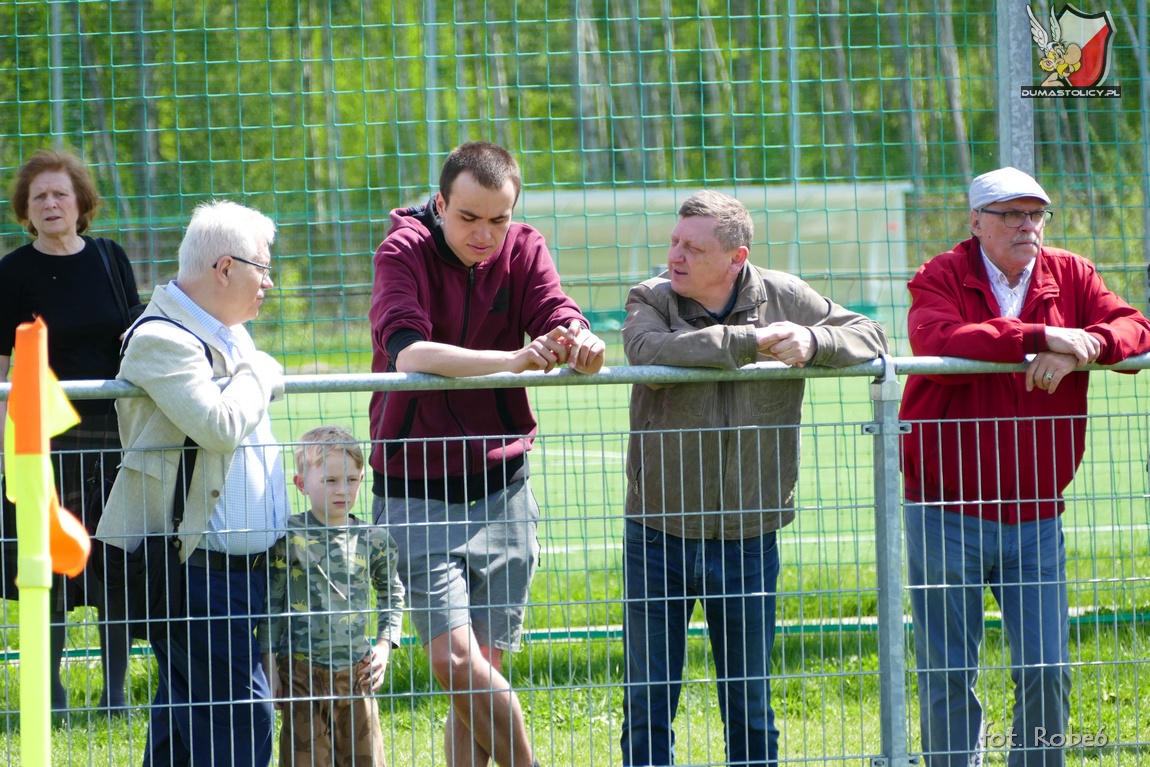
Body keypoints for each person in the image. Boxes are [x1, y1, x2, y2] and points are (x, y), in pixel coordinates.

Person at [620, 189, 888, 767]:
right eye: (674, 241)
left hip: (750, 533)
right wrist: (751, 342)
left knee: (748, 702)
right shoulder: (652, 298)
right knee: (648, 701)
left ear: (737, 258)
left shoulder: (786, 296)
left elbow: (871, 335)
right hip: (657, 533)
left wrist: (814, 340)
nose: (675, 256)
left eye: (692, 247)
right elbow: (647, 353)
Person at [900, 167, 1150, 767]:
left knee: (1047, 668)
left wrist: (1081, 349)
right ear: (975, 222)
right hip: (944, 509)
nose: (1026, 226)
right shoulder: (941, 274)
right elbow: (942, 343)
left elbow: (1135, 329)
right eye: (1010, 214)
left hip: (1036, 513)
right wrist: (1042, 336)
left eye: (1035, 214)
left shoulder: (1072, 272)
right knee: (949, 672)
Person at [368, 141, 606, 767]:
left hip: (504, 486)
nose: (485, 233)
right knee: (453, 662)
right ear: (440, 203)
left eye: (498, 219)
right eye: (469, 217)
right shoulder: (402, 251)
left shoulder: (525, 247)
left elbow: (556, 311)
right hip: (413, 488)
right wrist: (513, 362)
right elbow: (409, 352)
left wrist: (581, 337)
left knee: (479, 681)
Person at [95, 200, 287, 767]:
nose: (269, 282)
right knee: (242, 715)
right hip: (196, 571)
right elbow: (221, 426)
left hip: (238, 572)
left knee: (185, 715)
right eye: (263, 267)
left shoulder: (229, 333)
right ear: (224, 268)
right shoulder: (161, 338)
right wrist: (261, 370)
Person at [0, 147, 144, 717]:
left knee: (112, 566)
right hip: (45, 441)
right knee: (49, 567)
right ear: (26, 211)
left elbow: (136, 336)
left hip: (115, 438)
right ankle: (49, 694)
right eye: (40, 197)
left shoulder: (110, 257)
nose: (51, 203)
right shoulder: (11, 273)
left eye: (60, 193)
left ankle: (115, 694)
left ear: (81, 201)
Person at [259, 425, 405, 767]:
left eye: (352, 480)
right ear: (301, 483)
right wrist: (269, 663)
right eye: (330, 481)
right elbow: (271, 603)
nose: (344, 490)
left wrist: (384, 645)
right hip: (301, 674)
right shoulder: (287, 537)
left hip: (357, 674)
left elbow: (391, 593)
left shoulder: (373, 539)